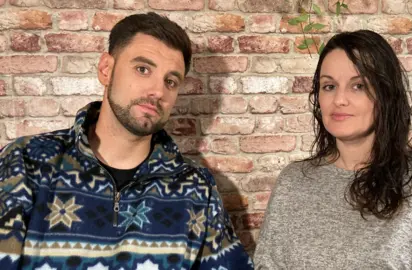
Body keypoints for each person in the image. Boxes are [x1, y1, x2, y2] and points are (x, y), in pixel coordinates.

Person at [0, 12, 253, 269]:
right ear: (106, 69)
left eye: (171, 81)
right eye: (142, 69)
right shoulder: (25, 163)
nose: (158, 91)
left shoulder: (197, 188)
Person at [254, 30, 412, 269]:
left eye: (358, 85)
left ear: (386, 94)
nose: (339, 99)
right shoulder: (294, 181)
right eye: (329, 86)